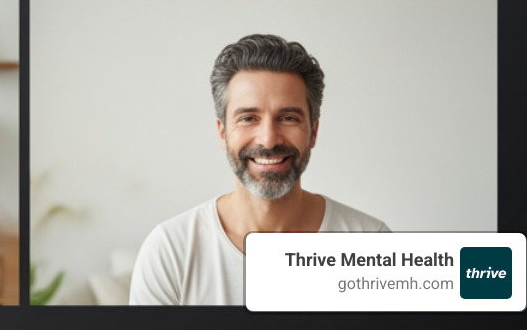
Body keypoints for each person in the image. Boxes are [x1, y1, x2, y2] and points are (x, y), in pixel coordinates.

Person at [129, 34, 390, 305]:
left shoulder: (371, 241)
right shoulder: (170, 251)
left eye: (288, 118)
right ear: (223, 133)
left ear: (313, 132)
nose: (268, 139)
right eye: (248, 118)